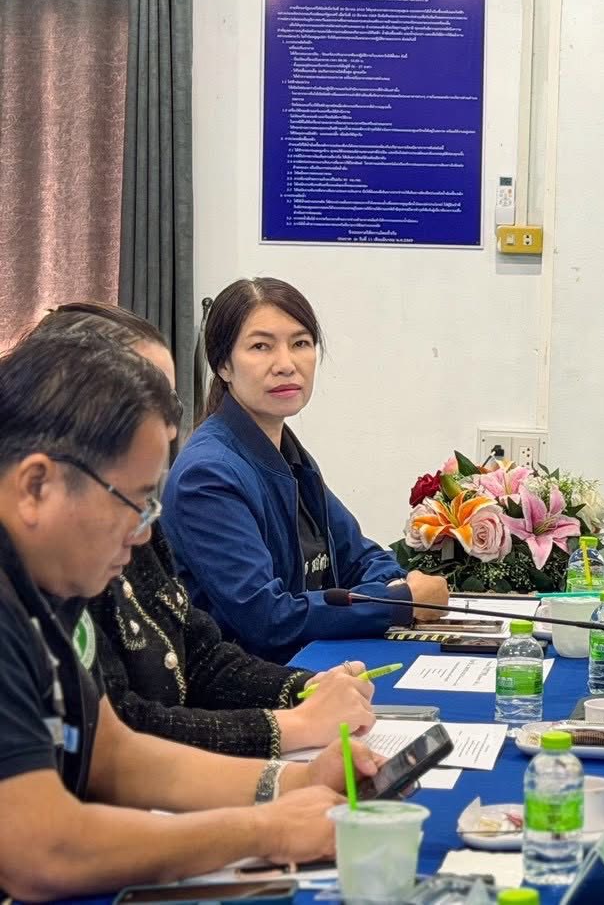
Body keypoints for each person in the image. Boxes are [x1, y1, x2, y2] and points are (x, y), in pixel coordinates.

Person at [0, 327, 378, 899]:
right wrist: (265, 830)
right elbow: (41, 850)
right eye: (135, 502)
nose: (145, 534)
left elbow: (114, 756)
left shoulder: (48, 583)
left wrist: (294, 781)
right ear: (36, 486)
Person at [35, 302, 376, 758]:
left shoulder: (132, 513)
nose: (169, 425)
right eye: (142, 399)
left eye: (169, 402)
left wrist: (307, 687)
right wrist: (291, 728)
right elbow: (121, 733)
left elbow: (197, 655)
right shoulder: (202, 473)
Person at [164, 277, 448, 663]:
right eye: (261, 346)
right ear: (224, 365)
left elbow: (360, 558)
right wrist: (398, 602)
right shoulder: (208, 475)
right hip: (253, 684)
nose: (286, 365)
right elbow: (267, 618)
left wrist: (396, 590)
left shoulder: (286, 452)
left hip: (312, 663)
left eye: (300, 343)